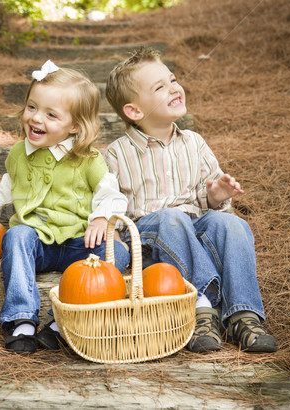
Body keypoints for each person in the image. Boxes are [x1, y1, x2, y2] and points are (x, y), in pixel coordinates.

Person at [103, 47, 277, 353]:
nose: (174, 87)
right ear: (134, 111)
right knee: (173, 218)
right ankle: (201, 308)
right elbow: (109, 204)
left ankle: (243, 315)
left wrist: (216, 197)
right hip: (155, 239)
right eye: (160, 87)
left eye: (172, 79)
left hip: (196, 227)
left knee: (231, 224)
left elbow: (210, 195)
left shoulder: (194, 143)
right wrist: (116, 245)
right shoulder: (118, 153)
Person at [0, 60, 130, 354]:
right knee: (15, 237)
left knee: (119, 254)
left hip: (79, 244)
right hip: (37, 242)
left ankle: (60, 324)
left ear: (75, 125)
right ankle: (22, 320)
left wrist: (101, 218)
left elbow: (110, 192)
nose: (36, 118)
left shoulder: (88, 159)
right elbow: (9, 184)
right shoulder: (19, 153)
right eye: (32, 107)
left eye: (50, 114)